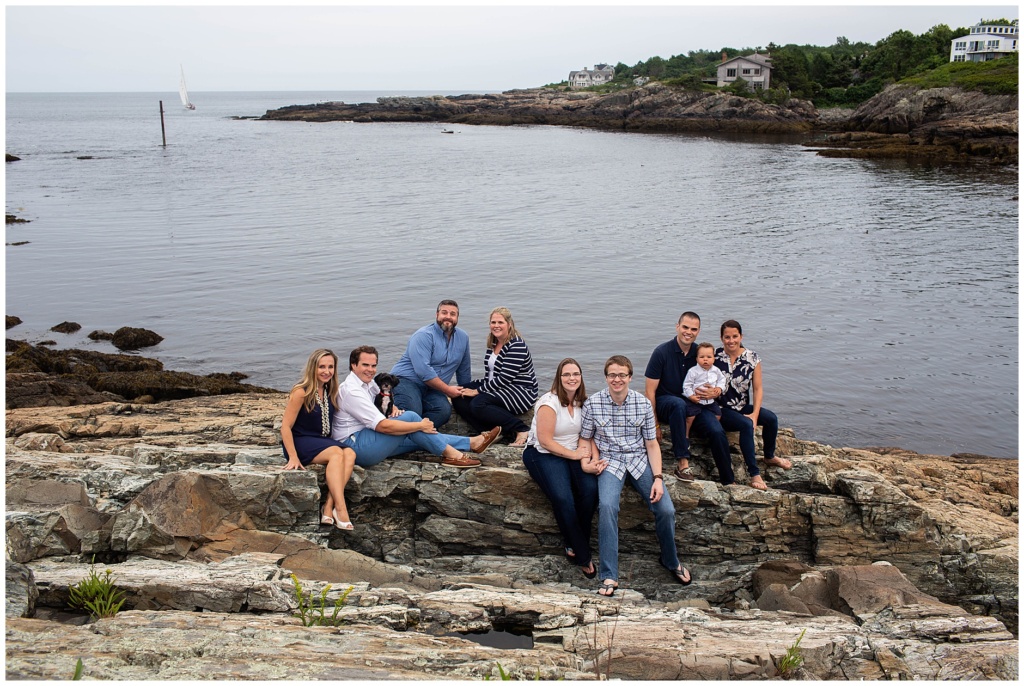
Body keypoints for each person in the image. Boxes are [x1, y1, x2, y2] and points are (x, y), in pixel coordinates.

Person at [581, 355, 691, 597]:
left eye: (622, 375)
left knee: (666, 509)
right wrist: (591, 459)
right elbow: (587, 437)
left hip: (640, 461)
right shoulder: (593, 403)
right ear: (606, 377)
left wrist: (659, 478)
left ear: (630, 377)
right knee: (608, 507)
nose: (617, 379)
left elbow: (652, 444)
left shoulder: (642, 404)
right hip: (610, 462)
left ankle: (670, 560)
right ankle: (609, 575)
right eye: (612, 374)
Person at [333, 346, 500, 469]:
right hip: (356, 447)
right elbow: (382, 426)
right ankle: (453, 456)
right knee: (412, 418)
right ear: (353, 365)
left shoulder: (368, 384)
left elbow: (384, 400)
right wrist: (419, 425)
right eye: (365, 365)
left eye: (373, 365)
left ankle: (472, 443)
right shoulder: (352, 391)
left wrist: (395, 408)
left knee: (422, 438)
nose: (370, 370)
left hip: (369, 439)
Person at [522, 358, 608, 579]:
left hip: (574, 453)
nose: (572, 379)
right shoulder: (548, 403)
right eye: (567, 375)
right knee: (563, 498)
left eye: (576, 374)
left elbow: (586, 435)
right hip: (542, 454)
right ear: (559, 378)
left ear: (581, 377)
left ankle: (572, 542)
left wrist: (586, 461)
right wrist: (574, 455)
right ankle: (583, 554)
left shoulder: (582, 403)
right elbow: (545, 441)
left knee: (590, 491)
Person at [644, 312, 732, 484]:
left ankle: (728, 480)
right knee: (677, 404)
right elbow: (649, 392)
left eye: (693, 329)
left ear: (698, 331)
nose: (688, 332)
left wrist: (716, 392)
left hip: (695, 405)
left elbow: (718, 377)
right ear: (677, 327)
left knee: (716, 430)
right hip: (666, 403)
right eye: (685, 327)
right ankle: (682, 463)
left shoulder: (700, 354)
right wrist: (654, 425)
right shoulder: (661, 352)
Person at [280, 349, 358, 531]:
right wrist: (293, 457)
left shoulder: (330, 390)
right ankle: (341, 508)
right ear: (312, 368)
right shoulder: (301, 392)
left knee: (350, 453)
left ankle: (329, 507)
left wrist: (391, 407)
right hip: (299, 441)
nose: (326, 371)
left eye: (330, 367)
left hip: (319, 441)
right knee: (337, 454)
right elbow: (285, 426)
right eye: (321, 367)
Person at [715, 320, 792, 491]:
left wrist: (755, 414)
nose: (731, 340)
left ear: (741, 336)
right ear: (721, 338)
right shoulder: (714, 357)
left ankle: (769, 456)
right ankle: (754, 474)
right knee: (745, 425)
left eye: (735, 336)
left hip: (741, 406)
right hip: (721, 409)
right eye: (727, 337)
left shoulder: (752, 358)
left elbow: (758, 389)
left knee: (771, 419)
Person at [452, 307, 539, 446]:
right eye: (493, 322)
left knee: (478, 403)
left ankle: (521, 429)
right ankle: (489, 432)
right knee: (458, 394)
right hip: (498, 385)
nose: (496, 326)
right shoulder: (494, 343)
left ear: (509, 324)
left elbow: (505, 378)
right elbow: (491, 375)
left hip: (520, 390)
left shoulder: (516, 345)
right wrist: (467, 388)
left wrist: (478, 391)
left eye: (500, 322)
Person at [390, 299, 471, 429]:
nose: (448, 317)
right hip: (407, 381)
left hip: (433, 389)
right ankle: (412, 436)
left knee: (443, 411)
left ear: (457, 318)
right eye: (444, 312)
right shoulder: (423, 335)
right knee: (412, 413)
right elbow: (423, 372)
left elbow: (464, 370)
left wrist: (467, 393)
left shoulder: (463, 337)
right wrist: (448, 390)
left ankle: (414, 437)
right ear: (437, 314)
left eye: (453, 314)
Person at [682, 342, 728, 438]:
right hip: (695, 400)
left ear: (714, 359)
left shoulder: (716, 370)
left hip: (710, 401)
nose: (705, 359)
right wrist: (691, 396)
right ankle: (686, 434)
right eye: (702, 357)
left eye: (709, 357)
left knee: (718, 414)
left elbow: (722, 380)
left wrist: (719, 388)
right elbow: (686, 385)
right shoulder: (693, 371)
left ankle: (710, 432)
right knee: (690, 416)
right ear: (697, 359)